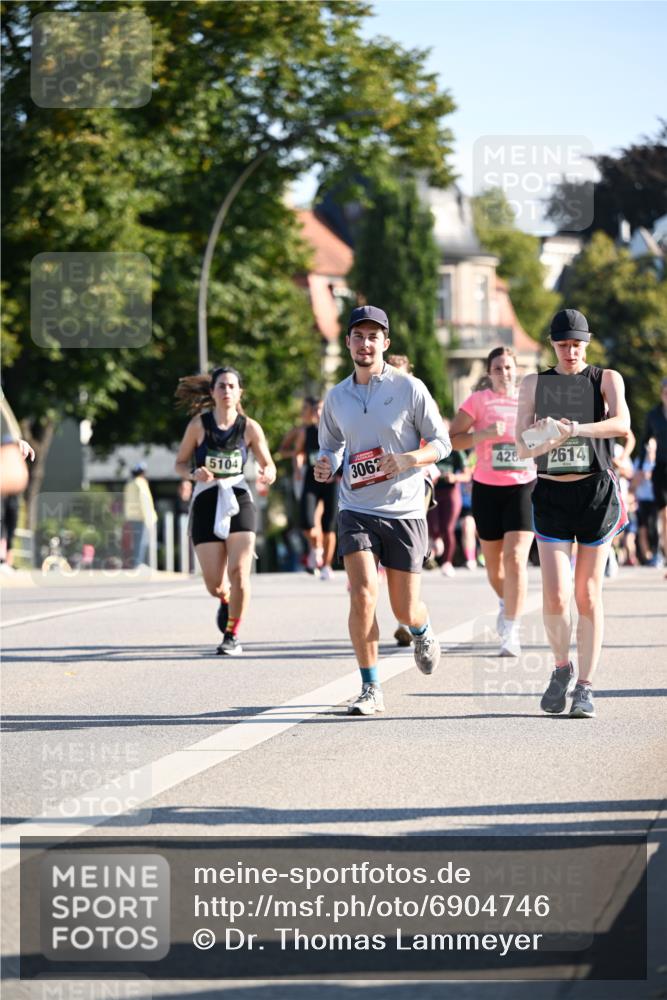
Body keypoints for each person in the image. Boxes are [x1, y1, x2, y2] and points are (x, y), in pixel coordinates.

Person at [314, 304, 451, 716]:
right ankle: (370, 687)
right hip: (355, 507)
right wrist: (326, 463)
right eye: (359, 336)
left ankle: (422, 630)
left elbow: (441, 443)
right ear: (349, 342)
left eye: (374, 336)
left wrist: (409, 459)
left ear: (385, 344)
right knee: (362, 595)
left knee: (405, 608)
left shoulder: (409, 389)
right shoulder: (337, 397)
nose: (365, 343)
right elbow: (331, 445)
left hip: (405, 510)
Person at [516, 308, 631, 719]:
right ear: (552, 344)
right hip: (551, 495)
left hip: (594, 493)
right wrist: (549, 432)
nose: (570, 352)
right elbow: (522, 445)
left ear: (587, 342)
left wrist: (577, 428)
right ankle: (561, 668)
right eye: (563, 344)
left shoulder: (606, 379)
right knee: (556, 594)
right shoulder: (534, 384)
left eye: (577, 345)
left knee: (587, 594)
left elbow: (621, 422)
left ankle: (585, 686)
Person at [174, 366, 276, 656]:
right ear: (212, 392)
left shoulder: (250, 427)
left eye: (232, 386)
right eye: (221, 386)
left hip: (238, 498)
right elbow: (179, 463)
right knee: (214, 584)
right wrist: (194, 473)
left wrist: (268, 473)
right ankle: (225, 598)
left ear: (240, 392)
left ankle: (232, 634)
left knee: (240, 572)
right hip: (206, 500)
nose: (227, 391)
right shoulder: (199, 425)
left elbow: (269, 464)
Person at [449, 347, 537, 656]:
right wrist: (482, 434)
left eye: (509, 368)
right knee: (494, 570)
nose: (504, 373)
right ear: (490, 372)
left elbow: (545, 438)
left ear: (517, 369)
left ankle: (511, 630)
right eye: (498, 368)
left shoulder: (529, 403)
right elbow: (453, 438)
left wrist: (535, 440)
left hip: (523, 486)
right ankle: (505, 602)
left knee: (515, 560)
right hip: (486, 488)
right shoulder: (477, 402)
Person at [293, 397, 338, 579]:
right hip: (311, 480)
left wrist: (336, 472)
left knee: (329, 526)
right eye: (316, 410)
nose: (319, 413)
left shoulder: (336, 432)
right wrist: (298, 468)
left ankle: (326, 565)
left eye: (322, 410)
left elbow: (345, 454)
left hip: (331, 483)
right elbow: (299, 452)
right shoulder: (307, 432)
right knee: (306, 521)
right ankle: (316, 547)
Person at [639, 378, 667, 570]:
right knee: (664, 515)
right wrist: (641, 466)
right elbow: (643, 441)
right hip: (661, 469)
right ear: (661, 393)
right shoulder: (653, 415)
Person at [122, 462, 157, 568]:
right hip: (142, 517)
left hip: (131, 517)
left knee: (135, 542)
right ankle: (138, 564)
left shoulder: (129, 484)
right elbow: (144, 501)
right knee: (141, 542)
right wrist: (148, 519)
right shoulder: (141, 483)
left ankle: (136, 563)